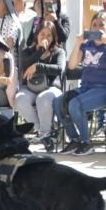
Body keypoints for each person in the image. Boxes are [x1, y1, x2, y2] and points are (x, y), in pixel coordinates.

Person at [55, 12, 106, 156]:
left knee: (75, 104)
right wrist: (78, 43)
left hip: (105, 89)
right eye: (94, 25)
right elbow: (72, 65)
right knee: (58, 102)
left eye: (102, 25)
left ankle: (86, 143)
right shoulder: (86, 44)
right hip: (86, 88)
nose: (97, 28)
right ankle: (74, 139)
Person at [14, 19, 66, 151]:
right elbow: (24, 65)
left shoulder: (58, 52)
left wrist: (38, 67)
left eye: (49, 35)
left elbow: (59, 69)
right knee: (19, 99)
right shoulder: (27, 51)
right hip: (30, 88)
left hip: (51, 88)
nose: (45, 38)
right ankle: (44, 133)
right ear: (37, 34)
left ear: (53, 38)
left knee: (43, 99)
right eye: (42, 34)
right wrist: (40, 50)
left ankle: (45, 133)